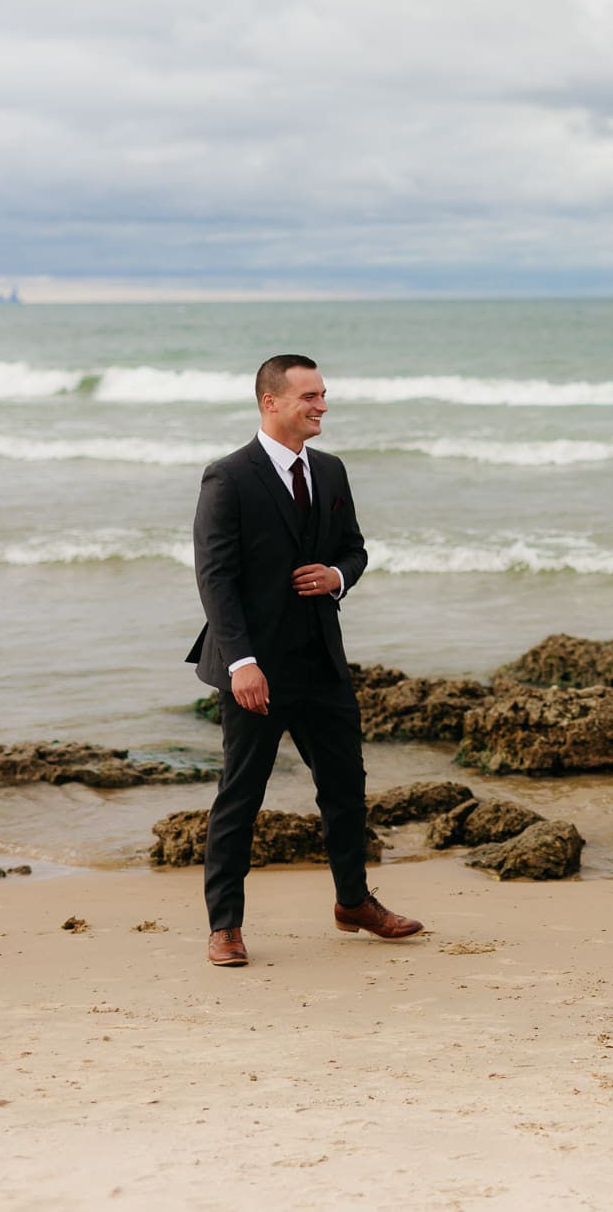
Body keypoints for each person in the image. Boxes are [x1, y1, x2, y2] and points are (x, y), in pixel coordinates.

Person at [187, 354, 422, 966]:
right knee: (241, 795)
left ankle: (354, 903)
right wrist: (241, 663)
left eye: (323, 395)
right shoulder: (228, 477)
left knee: (346, 787)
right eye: (309, 397)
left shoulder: (331, 470)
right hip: (255, 667)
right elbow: (215, 578)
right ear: (271, 402)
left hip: (322, 658)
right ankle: (226, 927)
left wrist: (338, 576)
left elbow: (355, 550)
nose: (321, 406)